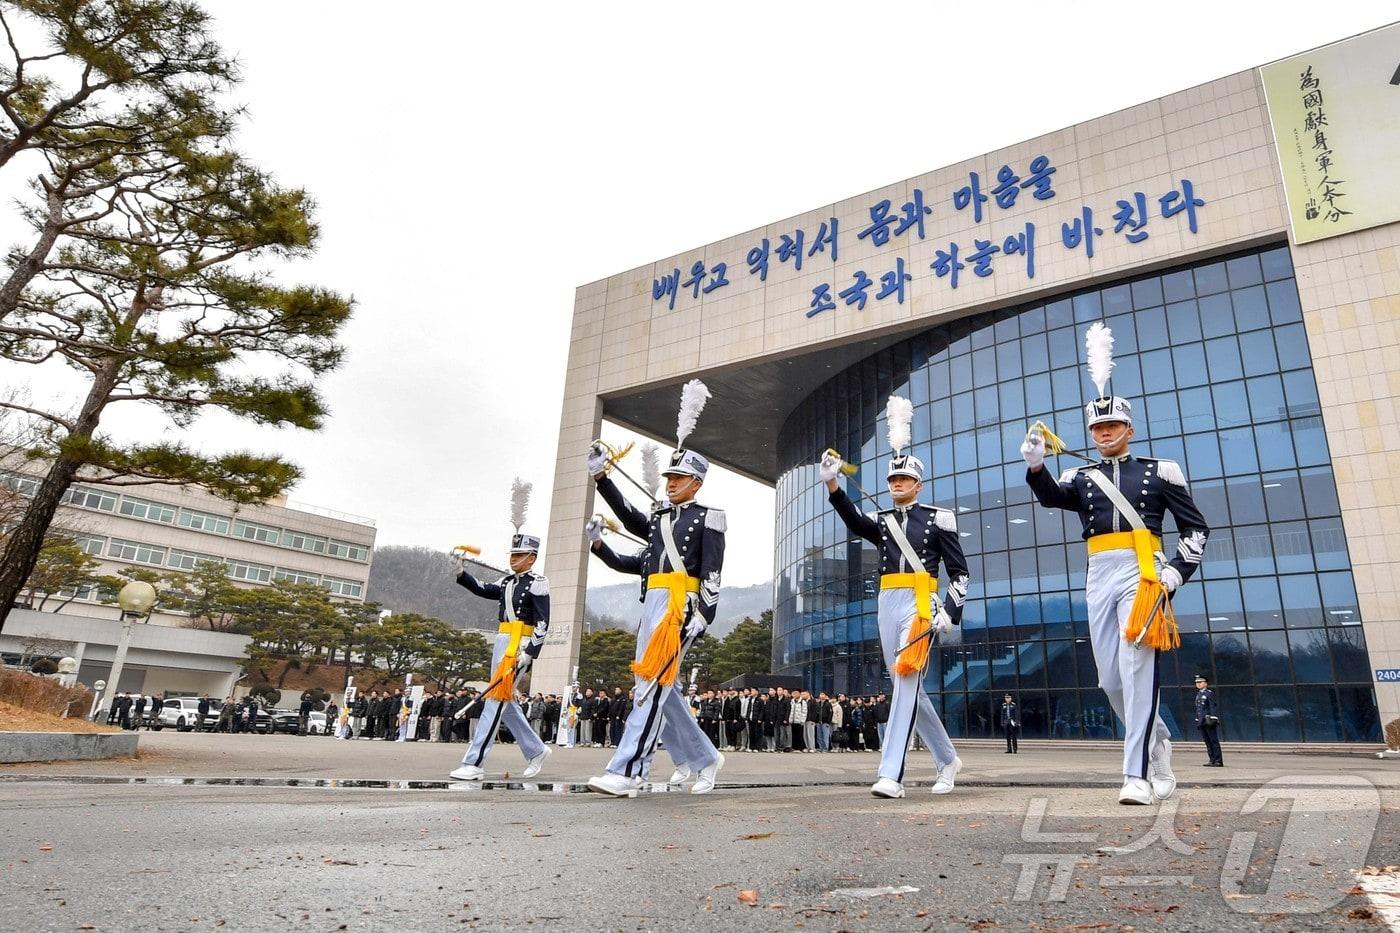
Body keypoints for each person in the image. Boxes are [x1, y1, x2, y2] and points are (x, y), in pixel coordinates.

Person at [1021, 322, 1211, 806]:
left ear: (1129, 429)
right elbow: (1050, 499)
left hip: (1143, 571)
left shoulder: (1160, 470)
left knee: (1136, 666)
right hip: (1098, 572)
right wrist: (1036, 465)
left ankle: (1137, 775)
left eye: (1112, 427)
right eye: (1097, 429)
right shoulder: (1081, 476)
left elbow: (1196, 529)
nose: (1104, 434)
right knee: (1110, 678)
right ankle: (1159, 742)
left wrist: (1174, 574)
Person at [820, 395, 970, 798]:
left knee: (904, 680)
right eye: (891, 481)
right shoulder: (883, 522)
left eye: (903, 480)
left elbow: (960, 573)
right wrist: (833, 483)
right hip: (887, 602)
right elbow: (852, 520)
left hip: (921, 603)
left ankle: (891, 774)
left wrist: (950, 612)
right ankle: (947, 759)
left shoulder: (939, 518)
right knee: (908, 688)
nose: (896, 485)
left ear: (917, 484)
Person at [583, 392, 727, 797]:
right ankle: (704, 758)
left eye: (678, 478)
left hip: (680, 608)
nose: (671, 483)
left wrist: (704, 615)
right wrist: (602, 478)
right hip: (653, 605)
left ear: (696, 482)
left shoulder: (708, 518)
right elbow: (630, 518)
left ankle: (628, 770)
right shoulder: (661, 518)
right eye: (668, 478)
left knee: (651, 687)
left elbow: (713, 570)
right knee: (658, 685)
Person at [447, 505, 553, 782]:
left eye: (519, 555)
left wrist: (531, 652)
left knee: (494, 699)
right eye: (512, 555)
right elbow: (483, 589)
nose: (513, 559)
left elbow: (544, 621)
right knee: (504, 700)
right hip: (503, 639)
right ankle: (536, 749)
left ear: (531, 558)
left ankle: (474, 762)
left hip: (521, 642)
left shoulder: (539, 583)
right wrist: (462, 573)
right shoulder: (507, 582)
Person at [1195, 675, 1223, 767]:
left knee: (1213, 740)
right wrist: (1198, 719)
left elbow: (1212, 706)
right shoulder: (1199, 694)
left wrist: (1213, 718)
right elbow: (1199, 709)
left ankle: (1218, 760)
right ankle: (1212, 759)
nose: (1198, 684)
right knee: (1207, 741)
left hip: (1209, 720)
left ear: (1205, 684)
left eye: (1200, 682)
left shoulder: (1209, 693)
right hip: (1202, 721)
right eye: (1197, 683)